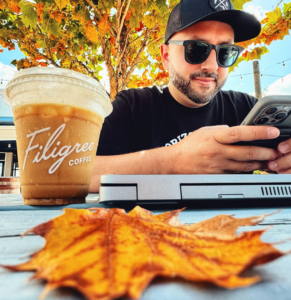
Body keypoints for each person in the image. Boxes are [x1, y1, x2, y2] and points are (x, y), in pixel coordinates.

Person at [89, 0, 288, 193]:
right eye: (196, 49)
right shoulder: (133, 106)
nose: (211, 66)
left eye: (225, 52)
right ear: (166, 56)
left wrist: (283, 163)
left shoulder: (246, 108)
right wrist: (172, 161)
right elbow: (77, 174)